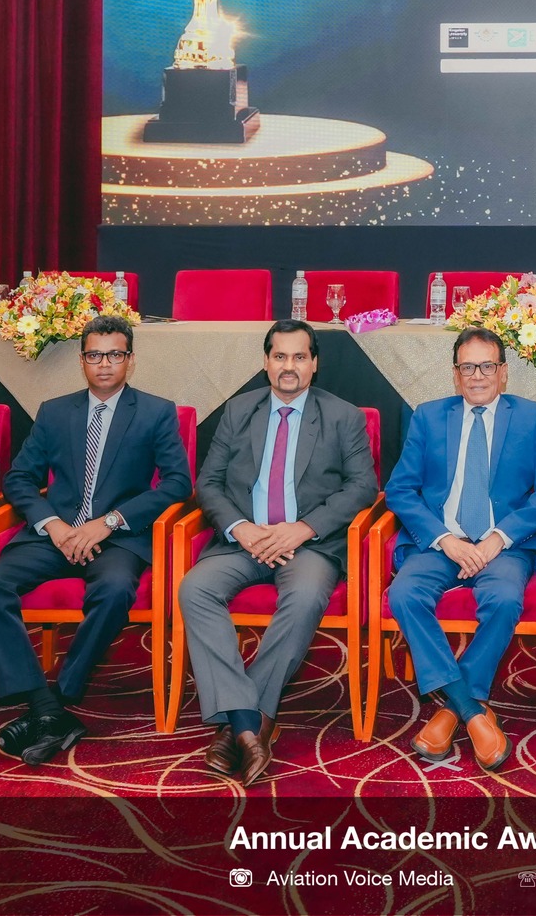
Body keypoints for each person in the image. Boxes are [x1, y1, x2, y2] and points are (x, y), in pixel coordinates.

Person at [0, 316, 190, 764]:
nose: (104, 364)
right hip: (56, 534)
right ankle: (44, 706)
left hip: (116, 538)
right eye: (94, 355)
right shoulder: (54, 411)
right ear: (82, 360)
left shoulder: (155, 411)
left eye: (114, 354)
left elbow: (177, 483)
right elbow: (19, 478)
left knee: (115, 589)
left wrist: (109, 521)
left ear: (130, 359)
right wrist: (52, 524)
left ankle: (60, 695)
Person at [181, 319, 377, 785]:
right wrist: (241, 528)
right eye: (280, 356)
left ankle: (240, 722)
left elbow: (363, 487)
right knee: (194, 590)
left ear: (315, 363)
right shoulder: (238, 411)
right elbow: (207, 483)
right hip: (243, 541)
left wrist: (303, 529)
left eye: (299, 357)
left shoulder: (344, 416)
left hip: (308, 545)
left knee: (305, 597)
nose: (290, 366)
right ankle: (250, 724)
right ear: (266, 362)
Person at [383, 327, 536, 769]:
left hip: (503, 545)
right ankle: (470, 709)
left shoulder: (532, 417)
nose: (478, 376)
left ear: (503, 372)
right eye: (468, 367)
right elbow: (400, 490)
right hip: (439, 542)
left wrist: (497, 538)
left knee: (503, 600)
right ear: (455, 374)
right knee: (404, 594)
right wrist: (445, 539)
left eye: (487, 366)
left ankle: (450, 711)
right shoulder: (428, 417)